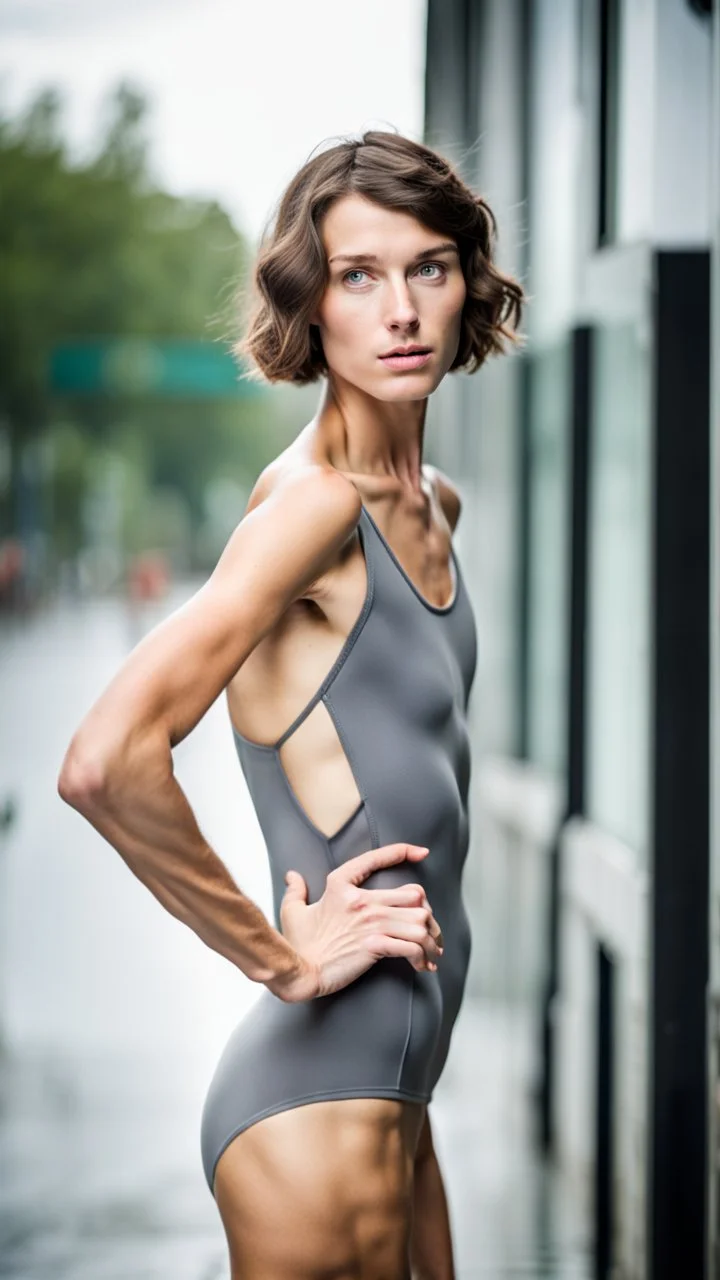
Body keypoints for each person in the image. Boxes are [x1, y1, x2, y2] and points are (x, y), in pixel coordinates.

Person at [57, 130, 524, 1280]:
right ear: (313, 307)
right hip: (312, 1118)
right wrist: (278, 957)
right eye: (358, 275)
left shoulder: (435, 508)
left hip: (400, 1114)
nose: (402, 307)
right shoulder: (310, 512)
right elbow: (106, 759)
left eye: (429, 266)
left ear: (469, 281)